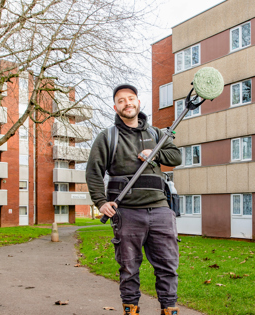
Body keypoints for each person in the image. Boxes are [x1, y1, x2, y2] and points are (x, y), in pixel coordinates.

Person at [86, 84, 182, 315]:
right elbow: (93, 172)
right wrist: (101, 202)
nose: (127, 103)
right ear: (115, 106)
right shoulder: (108, 137)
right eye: (121, 100)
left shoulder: (158, 134)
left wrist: (155, 153)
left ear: (138, 103)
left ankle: (169, 310)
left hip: (160, 210)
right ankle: (131, 310)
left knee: (168, 266)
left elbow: (176, 157)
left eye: (131, 98)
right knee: (128, 268)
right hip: (126, 212)